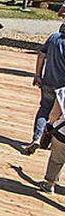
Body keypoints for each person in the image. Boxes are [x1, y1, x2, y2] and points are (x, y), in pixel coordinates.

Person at [26, 8, 65, 154]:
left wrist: (37, 75)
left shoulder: (53, 38)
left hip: (48, 82)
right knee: (60, 116)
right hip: (63, 88)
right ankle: (50, 140)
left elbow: (41, 55)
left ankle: (36, 138)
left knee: (44, 109)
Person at [38, 82, 65, 194]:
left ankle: (50, 185)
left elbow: (54, 114)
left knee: (56, 159)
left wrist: (50, 125)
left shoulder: (63, 92)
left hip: (62, 134)